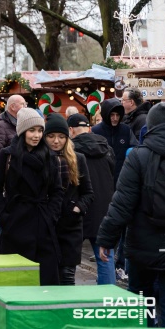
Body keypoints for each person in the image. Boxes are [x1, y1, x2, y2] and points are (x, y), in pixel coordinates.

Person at [97, 102, 165, 327]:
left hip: (142, 242)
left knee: (141, 301)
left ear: (151, 125)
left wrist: (106, 239)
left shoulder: (138, 156)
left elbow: (122, 204)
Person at [0, 108, 64, 285]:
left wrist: (51, 216)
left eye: (40, 130)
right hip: (15, 223)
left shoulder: (50, 157)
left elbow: (57, 191)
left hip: (42, 225)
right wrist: (4, 217)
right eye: (32, 130)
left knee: (45, 281)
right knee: (13, 281)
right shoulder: (7, 155)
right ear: (22, 131)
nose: (36, 135)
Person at [44, 114, 94, 285]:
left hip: (70, 227)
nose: (56, 141)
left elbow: (88, 192)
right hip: (47, 226)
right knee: (49, 278)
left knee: (67, 276)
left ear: (67, 137)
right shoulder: (40, 159)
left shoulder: (78, 159)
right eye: (51, 136)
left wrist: (77, 208)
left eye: (61, 136)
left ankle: (67, 312)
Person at [91, 98, 137, 280]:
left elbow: (134, 149)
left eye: (118, 114)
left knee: (122, 224)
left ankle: (118, 262)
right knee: (107, 220)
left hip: (122, 182)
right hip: (102, 184)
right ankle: (109, 259)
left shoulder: (126, 130)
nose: (115, 118)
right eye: (112, 115)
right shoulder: (96, 131)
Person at [68, 114, 117, 284]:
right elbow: (113, 175)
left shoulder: (70, 151)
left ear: (71, 130)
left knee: (68, 258)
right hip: (104, 209)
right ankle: (108, 301)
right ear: (88, 128)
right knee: (105, 257)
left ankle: (66, 299)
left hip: (79, 208)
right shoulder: (107, 148)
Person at [0, 94, 27, 162]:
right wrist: (11, 166)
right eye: (22, 104)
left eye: (26, 104)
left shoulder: (22, 123)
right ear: (12, 107)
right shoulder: (0, 126)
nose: (26, 107)